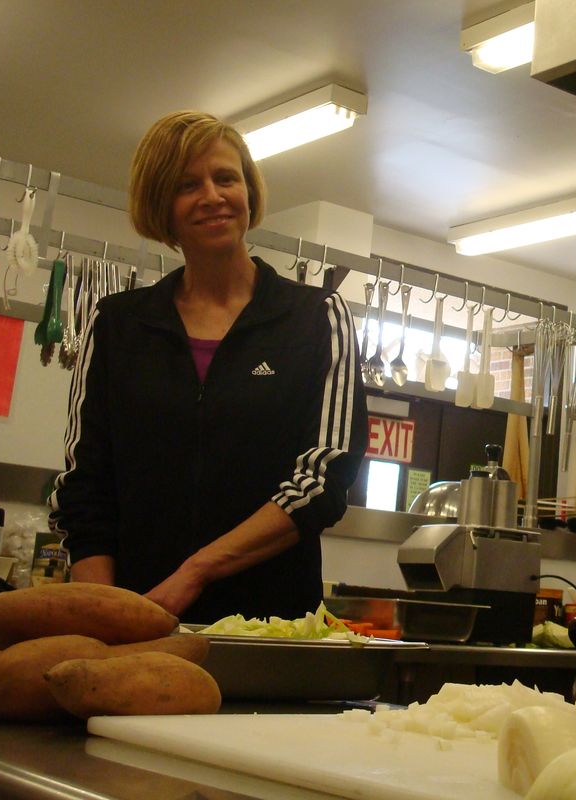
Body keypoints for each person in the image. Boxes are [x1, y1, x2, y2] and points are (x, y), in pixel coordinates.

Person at [48, 111, 368, 624]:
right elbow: (86, 487)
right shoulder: (116, 325)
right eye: (186, 185)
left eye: (226, 178)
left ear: (248, 191)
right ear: (161, 205)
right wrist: (109, 613)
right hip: (136, 626)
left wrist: (194, 573)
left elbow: (322, 479)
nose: (213, 196)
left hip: (270, 633)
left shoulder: (317, 318)